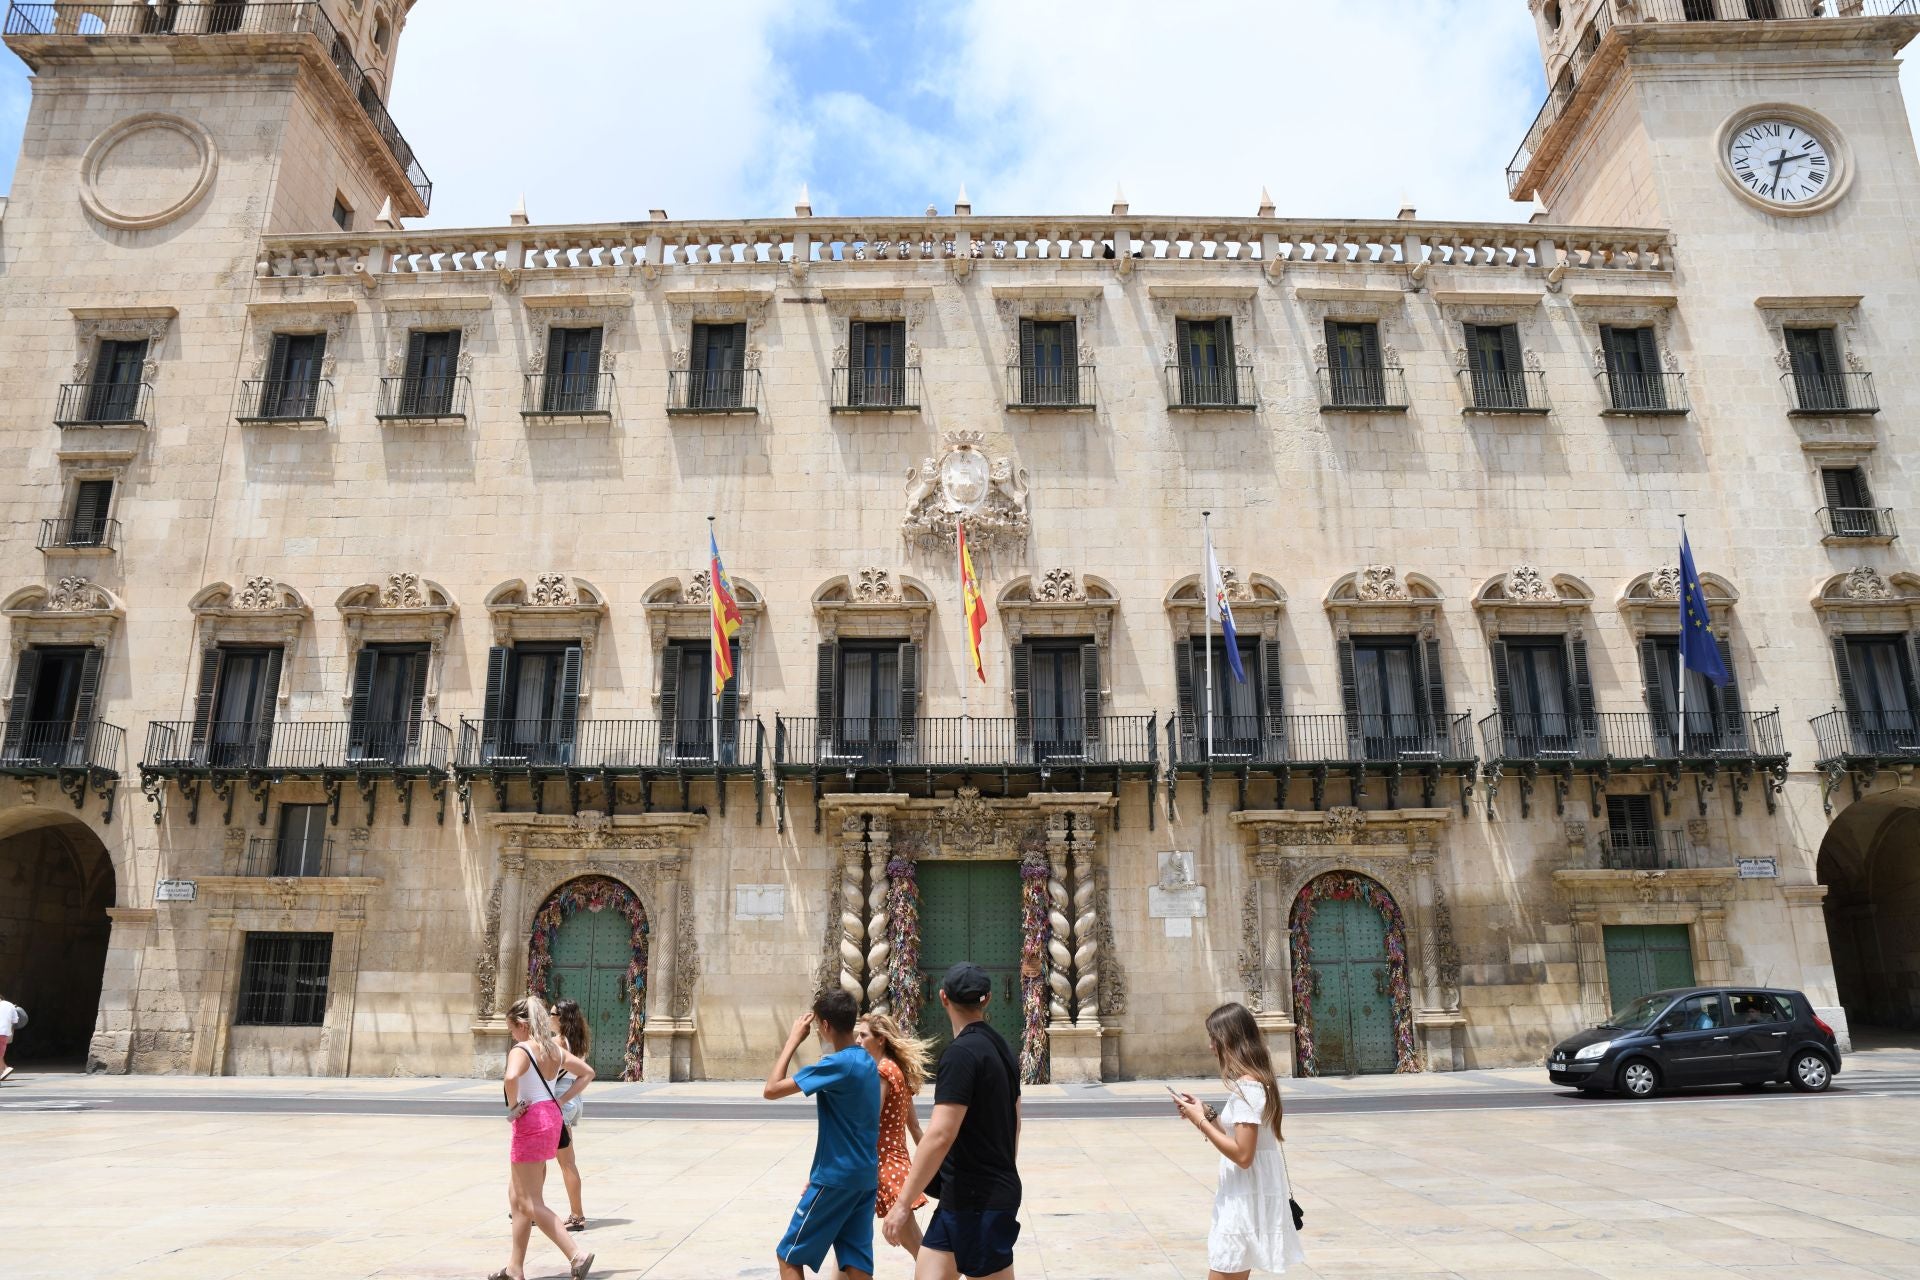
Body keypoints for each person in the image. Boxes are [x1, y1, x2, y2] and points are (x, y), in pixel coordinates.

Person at [883, 963, 1022, 1280]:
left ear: (943, 997)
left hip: (978, 1200)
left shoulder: (960, 1054)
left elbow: (941, 1133)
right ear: (986, 999)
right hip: (964, 1198)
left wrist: (903, 1203)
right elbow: (1015, 1121)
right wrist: (1002, 1169)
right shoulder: (1003, 1049)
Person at [1171, 1002, 1305, 1280]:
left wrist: (1200, 1120)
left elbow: (1243, 1155)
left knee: (1223, 1271)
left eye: (1214, 1038)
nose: (1211, 1046)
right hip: (1245, 1194)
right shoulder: (1256, 1082)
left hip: (1243, 1200)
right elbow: (1241, 1137)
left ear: (1229, 1040)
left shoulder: (1248, 1088)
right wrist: (1207, 1113)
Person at [764, 989, 882, 1280]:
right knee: (856, 1262)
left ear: (826, 1026)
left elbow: (771, 1089)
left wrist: (793, 1039)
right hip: (864, 1176)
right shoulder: (866, 1061)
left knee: (788, 1254)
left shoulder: (838, 1064)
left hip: (836, 1177)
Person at [493, 996, 596, 1280]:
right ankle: (515, 1268)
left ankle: (576, 1254)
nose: (511, 1034)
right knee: (517, 1197)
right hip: (551, 1118)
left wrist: (513, 1108)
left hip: (531, 1122)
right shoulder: (553, 1048)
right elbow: (587, 1073)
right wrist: (561, 1099)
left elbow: (511, 1078)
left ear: (521, 1024)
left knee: (528, 1202)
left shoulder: (521, 1049)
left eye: (511, 1028)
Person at [855, 1011, 933, 1257]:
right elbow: (915, 1126)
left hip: (884, 1166)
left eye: (863, 1035)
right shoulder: (897, 1069)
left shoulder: (883, 1071)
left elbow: (869, 1121)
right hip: (896, 1163)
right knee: (851, 1238)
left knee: (916, 1246)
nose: (857, 1040)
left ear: (880, 1040)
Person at [551, 998, 592, 1232]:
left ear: (561, 1018)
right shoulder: (578, 1042)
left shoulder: (558, 1043)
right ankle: (534, 1207)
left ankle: (577, 1215)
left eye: (552, 1013)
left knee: (565, 1163)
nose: (549, 1017)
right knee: (563, 1161)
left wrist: (561, 1100)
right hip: (571, 1101)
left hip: (559, 1102)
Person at [0, 992, 21, 1082]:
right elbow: (15, 1020)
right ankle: (4, 1069)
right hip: (5, 1033)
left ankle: (4, 1069)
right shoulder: (10, 1005)